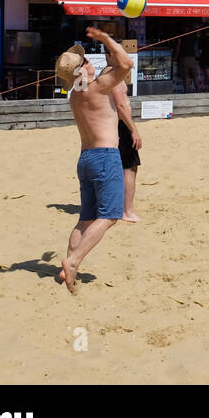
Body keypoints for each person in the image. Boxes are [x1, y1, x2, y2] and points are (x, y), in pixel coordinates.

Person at [53, 27, 132, 293]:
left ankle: (66, 268)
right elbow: (127, 63)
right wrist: (106, 39)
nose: (90, 61)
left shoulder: (74, 95)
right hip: (105, 156)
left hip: (85, 159)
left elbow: (114, 70)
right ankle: (73, 262)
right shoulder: (97, 88)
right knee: (110, 216)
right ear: (82, 70)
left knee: (86, 218)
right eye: (86, 61)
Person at [109, 70, 143, 222]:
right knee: (129, 166)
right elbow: (120, 105)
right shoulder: (112, 76)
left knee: (123, 166)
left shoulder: (110, 76)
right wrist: (134, 129)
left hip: (118, 124)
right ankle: (127, 211)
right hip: (120, 124)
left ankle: (121, 208)